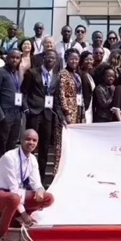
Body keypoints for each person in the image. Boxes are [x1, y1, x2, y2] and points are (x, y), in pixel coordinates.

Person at [0, 129, 54, 241]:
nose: (31, 142)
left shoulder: (32, 159)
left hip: (16, 194)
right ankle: (0, 236)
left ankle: (15, 218)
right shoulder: (9, 157)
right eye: (28, 139)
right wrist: (24, 214)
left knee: (48, 198)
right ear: (21, 140)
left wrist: (40, 190)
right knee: (13, 198)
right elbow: (13, 189)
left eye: (34, 140)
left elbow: (36, 183)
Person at [22, 50, 59, 185]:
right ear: (43, 58)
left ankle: (40, 181)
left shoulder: (56, 77)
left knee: (44, 149)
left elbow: (55, 97)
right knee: (29, 147)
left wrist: (59, 115)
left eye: (53, 58)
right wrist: (26, 109)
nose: (51, 60)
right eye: (48, 57)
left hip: (47, 116)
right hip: (33, 113)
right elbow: (23, 92)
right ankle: (26, 179)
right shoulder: (32, 73)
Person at [0, 50, 25, 170]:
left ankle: (8, 175)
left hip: (16, 115)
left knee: (11, 148)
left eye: (17, 58)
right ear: (7, 58)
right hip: (4, 115)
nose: (14, 60)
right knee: (0, 148)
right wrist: (1, 116)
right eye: (12, 57)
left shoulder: (17, 74)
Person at [51, 48, 82, 176]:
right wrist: (66, 113)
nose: (74, 61)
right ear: (66, 59)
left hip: (76, 111)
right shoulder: (63, 74)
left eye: (76, 59)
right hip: (65, 114)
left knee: (71, 145)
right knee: (61, 144)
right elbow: (61, 94)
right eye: (71, 59)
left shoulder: (77, 75)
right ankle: (57, 174)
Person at [78, 51, 96, 123]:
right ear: (82, 61)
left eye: (91, 59)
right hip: (83, 105)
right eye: (86, 59)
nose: (89, 61)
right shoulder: (80, 74)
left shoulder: (90, 74)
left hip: (90, 104)